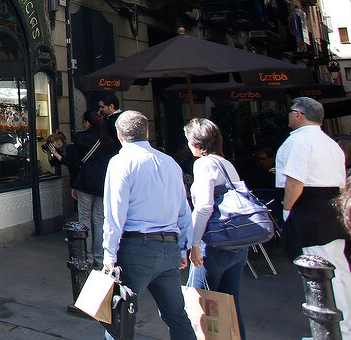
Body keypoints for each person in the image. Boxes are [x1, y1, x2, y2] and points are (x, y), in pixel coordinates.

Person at [102, 111, 195, 340]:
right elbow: (184, 209)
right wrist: (184, 246)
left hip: (137, 249)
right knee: (177, 316)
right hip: (169, 247)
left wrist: (109, 252)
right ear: (148, 133)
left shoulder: (121, 162)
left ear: (120, 135)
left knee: (120, 319)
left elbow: (115, 213)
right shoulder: (170, 163)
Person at [276, 97, 350, 337]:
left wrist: (287, 210)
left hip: (309, 210)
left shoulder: (299, 141)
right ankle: (343, 327)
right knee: (338, 270)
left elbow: (296, 180)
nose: (288, 116)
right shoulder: (330, 143)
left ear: (299, 114)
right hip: (332, 210)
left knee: (322, 273)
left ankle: (336, 330)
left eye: (290, 112)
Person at [183, 118, 249, 340]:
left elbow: (203, 207)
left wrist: (193, 244)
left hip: (214, 243)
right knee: (231, 305)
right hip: (236, 242)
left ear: (197, 142)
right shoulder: (225, 163)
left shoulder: (204, 164)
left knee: (201, 304)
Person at [65, 111, 117, 268]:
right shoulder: (108, 140)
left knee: (84, 219)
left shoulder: (81, 137)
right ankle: (100, 257)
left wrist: (74, 184)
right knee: (99, 219)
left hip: (86, 181)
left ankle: (86, 256)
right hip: (102, 182)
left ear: (87, 122)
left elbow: (76, 162)